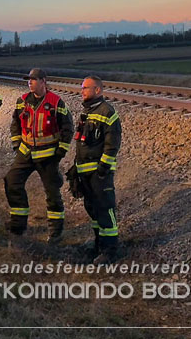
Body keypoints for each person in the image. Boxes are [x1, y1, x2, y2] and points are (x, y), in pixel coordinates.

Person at [4, 68, 72, 244]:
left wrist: (60, 151)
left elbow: (67, 128)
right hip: (25, 152)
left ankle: (56, 232)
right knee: (12, 181)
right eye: (29, 80)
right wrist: (16, 144)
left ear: (43, 81)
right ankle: (18, 226)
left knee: (52, 192)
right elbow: (15, 124)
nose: (30, 82)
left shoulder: (56, 102)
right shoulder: (23, 101)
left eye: (33, 79)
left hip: (48, 156)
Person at [68, 76, 122, 264]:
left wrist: (103, 168)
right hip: (86, 172)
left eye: (85, 88)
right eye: (81, 87)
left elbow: (112, 144)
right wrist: (76, 168)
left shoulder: (108, 112)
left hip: (99, 174)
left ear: (97, 90)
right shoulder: (88, 112)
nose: (81, 91)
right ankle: (98, 245)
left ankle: (110, 250)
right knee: (92, 208)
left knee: (105, 208)